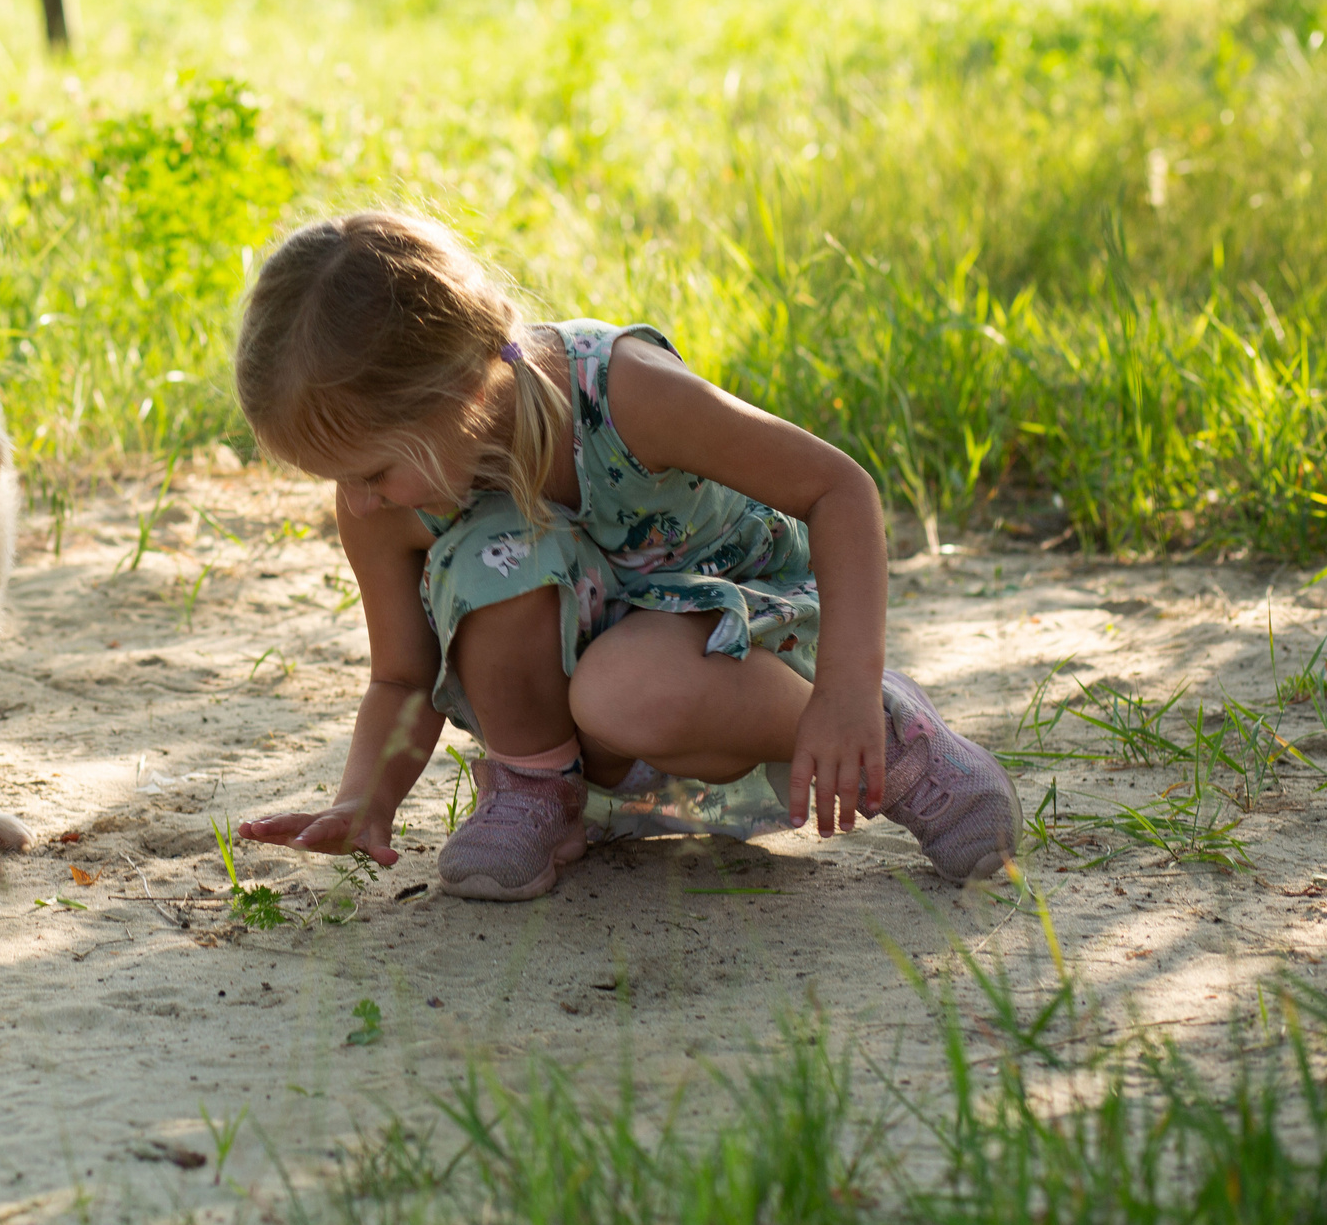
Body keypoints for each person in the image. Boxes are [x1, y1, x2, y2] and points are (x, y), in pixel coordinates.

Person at [231, 211, 1019, 900]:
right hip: (592, 712)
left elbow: (839, 489)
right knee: (501, 567)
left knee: (625, 689)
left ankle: (894, 745)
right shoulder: (384, 503)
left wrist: (843, 692)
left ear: (462, 394)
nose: (359, 501)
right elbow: (402, 675)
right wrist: (365, 798)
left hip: (738, 646)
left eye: (371, 472)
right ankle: (537, 794)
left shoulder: (626, 393)